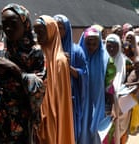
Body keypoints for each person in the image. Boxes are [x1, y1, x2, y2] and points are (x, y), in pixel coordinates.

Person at [0, 4, 45, 143]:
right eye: (4, 24)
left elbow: (40, 85)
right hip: (1, 115)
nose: (8, 29)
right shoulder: (2, 48)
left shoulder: (35, 52)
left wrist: (15, 69)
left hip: (23, 116)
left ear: (25, 24)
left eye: (13, 24)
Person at [33, 15, 75, 144]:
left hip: (52, 112)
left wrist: (45, 111)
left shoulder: (60, 61)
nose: (38, 36)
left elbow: (60, 98)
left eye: (41, 32)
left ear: (51, 31)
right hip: (36, 109)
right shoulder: (35, 53)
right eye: (36, 32)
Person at [53, 14, 88, 143]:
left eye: (60, 28)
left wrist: (68, 67)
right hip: (52, 100)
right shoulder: (46, 50)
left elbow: (84, 74)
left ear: (67, 30)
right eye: (55, 27)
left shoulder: (77, 51)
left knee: (70, 132)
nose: (57, 30)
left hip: (70, 100)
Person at [78, 27, 109, 144]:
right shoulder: (78, 56)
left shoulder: (104, 58)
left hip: (97, 102)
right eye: (88, 43)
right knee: (81, 128)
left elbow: (109, 84)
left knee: (96, 131)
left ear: (99, 43)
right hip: (81, 102)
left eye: (94, 43)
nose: (91, 47)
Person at [105, 34, 133, 144]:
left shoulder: (126, 62)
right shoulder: (101, 60)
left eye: (115, 46)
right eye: (109, 46)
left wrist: (126, 88)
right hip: (105, 101)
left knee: (120, 129)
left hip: (121, 103)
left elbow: (133, 79)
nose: (112, 49)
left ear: (119, 46)